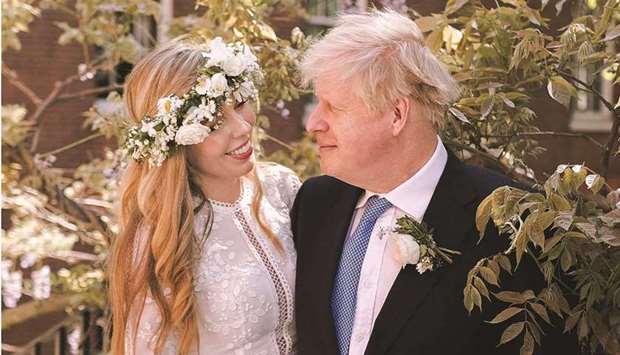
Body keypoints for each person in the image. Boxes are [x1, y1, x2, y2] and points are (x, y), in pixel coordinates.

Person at [291, 9, 578, 355]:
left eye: (332, 107)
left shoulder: (511, 223)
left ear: (397, 114)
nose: (313, 124)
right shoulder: (314, 204)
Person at [107, 37, 300, 355]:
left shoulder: (283, 187)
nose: (241, 127)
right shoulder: (158, 241)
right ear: (173, 142)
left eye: (238, 103)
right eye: (212, 123)